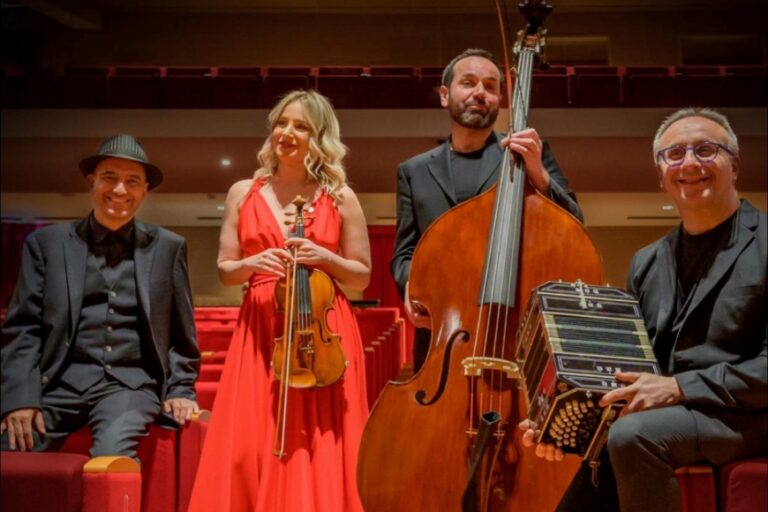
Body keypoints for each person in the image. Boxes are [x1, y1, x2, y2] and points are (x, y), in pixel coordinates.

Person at [520, 107, 767, 512]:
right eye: (674, 154)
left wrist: (680, 387)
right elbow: (632, 366)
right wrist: (560, 420)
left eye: (706, 150)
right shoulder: (647, 261)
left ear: (734, 165)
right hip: (668, 417)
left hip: (750, 414)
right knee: (616, 440)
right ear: (660, 173)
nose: (689, 163)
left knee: (633, 435)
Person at [188, 90, 371, 512]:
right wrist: (254, 260)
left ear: (319, 137)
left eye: (301, 126)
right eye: (282, 123)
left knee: (319, 438)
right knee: (255, 437)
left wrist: (324, 257)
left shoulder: (340, 196)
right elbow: (225, 269)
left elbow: (361, 276)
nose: (287, 133)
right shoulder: (242, 191)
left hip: (320, 331)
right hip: (260, 330)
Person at [1, 134, 200, 459]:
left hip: (131, 387)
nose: (120, 190)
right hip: (58, 384)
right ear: (91, 182)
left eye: (132, 181)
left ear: (145, 190)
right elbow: (23, 329)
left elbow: (182, 334)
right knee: (10, 448)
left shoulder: (169, 247)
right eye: (110, 178)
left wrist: (181, 389)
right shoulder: (46, 245)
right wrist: (21, 398)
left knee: (112, 456)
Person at [390, 48, 584, 370]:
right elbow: (404, 251)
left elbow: (574, 224)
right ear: (444, 94)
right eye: (468, 83)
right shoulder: (414, 171)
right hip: (443, 328)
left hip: (512, 324)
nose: (480, 92)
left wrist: (539, 175)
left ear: (499, 99)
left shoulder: (529, 155)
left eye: (491, 86)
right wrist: (411, 282)